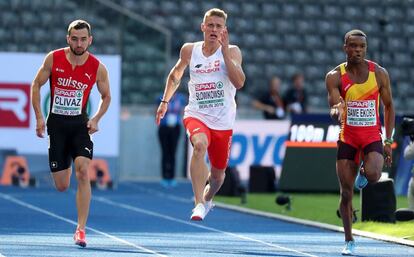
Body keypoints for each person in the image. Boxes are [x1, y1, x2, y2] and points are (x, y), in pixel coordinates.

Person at [156, 8, 245, 221]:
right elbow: (176, 74)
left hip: (223, 121)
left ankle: (208, 197)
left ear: (224, 30)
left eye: (219, 26)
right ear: (203, 27)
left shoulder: (232, 52)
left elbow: (240, 83)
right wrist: (165, 101)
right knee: (199, 146)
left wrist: (224, 53)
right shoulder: (190, 50)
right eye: (211, 25)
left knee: (217, 176)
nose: (214, 29)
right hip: (197, 114)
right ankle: (198, 203)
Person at [31, 20, 111, 247]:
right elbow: (36, 85)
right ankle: (62, 167)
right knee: (62, 185)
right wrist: (38, 117)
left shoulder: (97, 67)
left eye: (83, 39)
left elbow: (107, 96)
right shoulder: (53, 58)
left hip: (80, 126)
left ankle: (81, 229)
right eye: (75, 39)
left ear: (90, 40)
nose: (79, 43)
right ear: (68, 39)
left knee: (83, 171)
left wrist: (96, 118)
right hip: (56, 125)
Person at [325, 29, 395, 255]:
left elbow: (389, 106)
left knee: (374, 175)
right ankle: (349, 239)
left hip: (371, 136)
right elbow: (335, 106)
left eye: (361, 47)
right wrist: (337, 110)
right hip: (348, 138)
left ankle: (364, 174)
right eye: (353, 46)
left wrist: (389, 139)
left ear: (366, 48)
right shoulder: (335, 76)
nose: (357, 50)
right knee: (346, 194)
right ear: (345, 47)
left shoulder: (379, 73)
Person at [156, 91, 186, 187]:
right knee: (165, 152)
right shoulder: (161, 98)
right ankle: (164, 177)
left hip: (175, 128)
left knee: (173, 153)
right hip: (164, 127)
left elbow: (183, 110)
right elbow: (156, 111)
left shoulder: (181, 98)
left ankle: (172, 177)